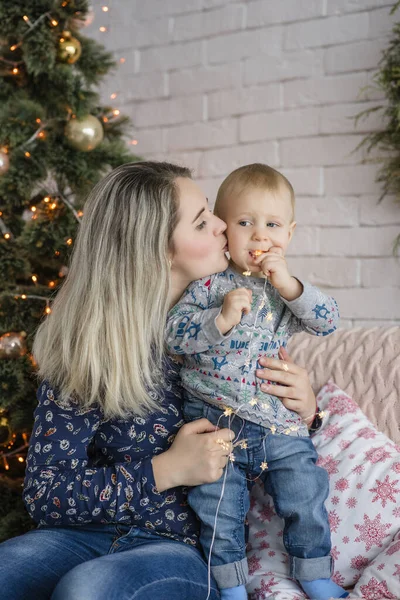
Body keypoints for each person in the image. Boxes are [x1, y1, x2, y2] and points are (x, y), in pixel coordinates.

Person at [0, 161, 320, 600]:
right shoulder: (94, 348)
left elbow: (279, 451)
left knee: (87, 589)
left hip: (185, 548)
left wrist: (309, 411)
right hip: (81, 536)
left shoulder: (241, 328)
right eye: (202, 220)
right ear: (159, 249)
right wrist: (164, 470)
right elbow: (45, 492)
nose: (223, 225)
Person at [166, 164, 348, 600]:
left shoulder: (284, 287)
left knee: (306, 492)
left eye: (272, 225)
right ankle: (230, 586)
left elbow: (328, 322)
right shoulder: (208, 286)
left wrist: (290, 285)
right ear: (223, 230)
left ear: (290, 232)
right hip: (215, 422)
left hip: (276, 420)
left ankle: (314, 574)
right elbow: (175, 333)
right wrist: (220, 318)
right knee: (216, 506)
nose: (259, 236)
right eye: (245, 223)